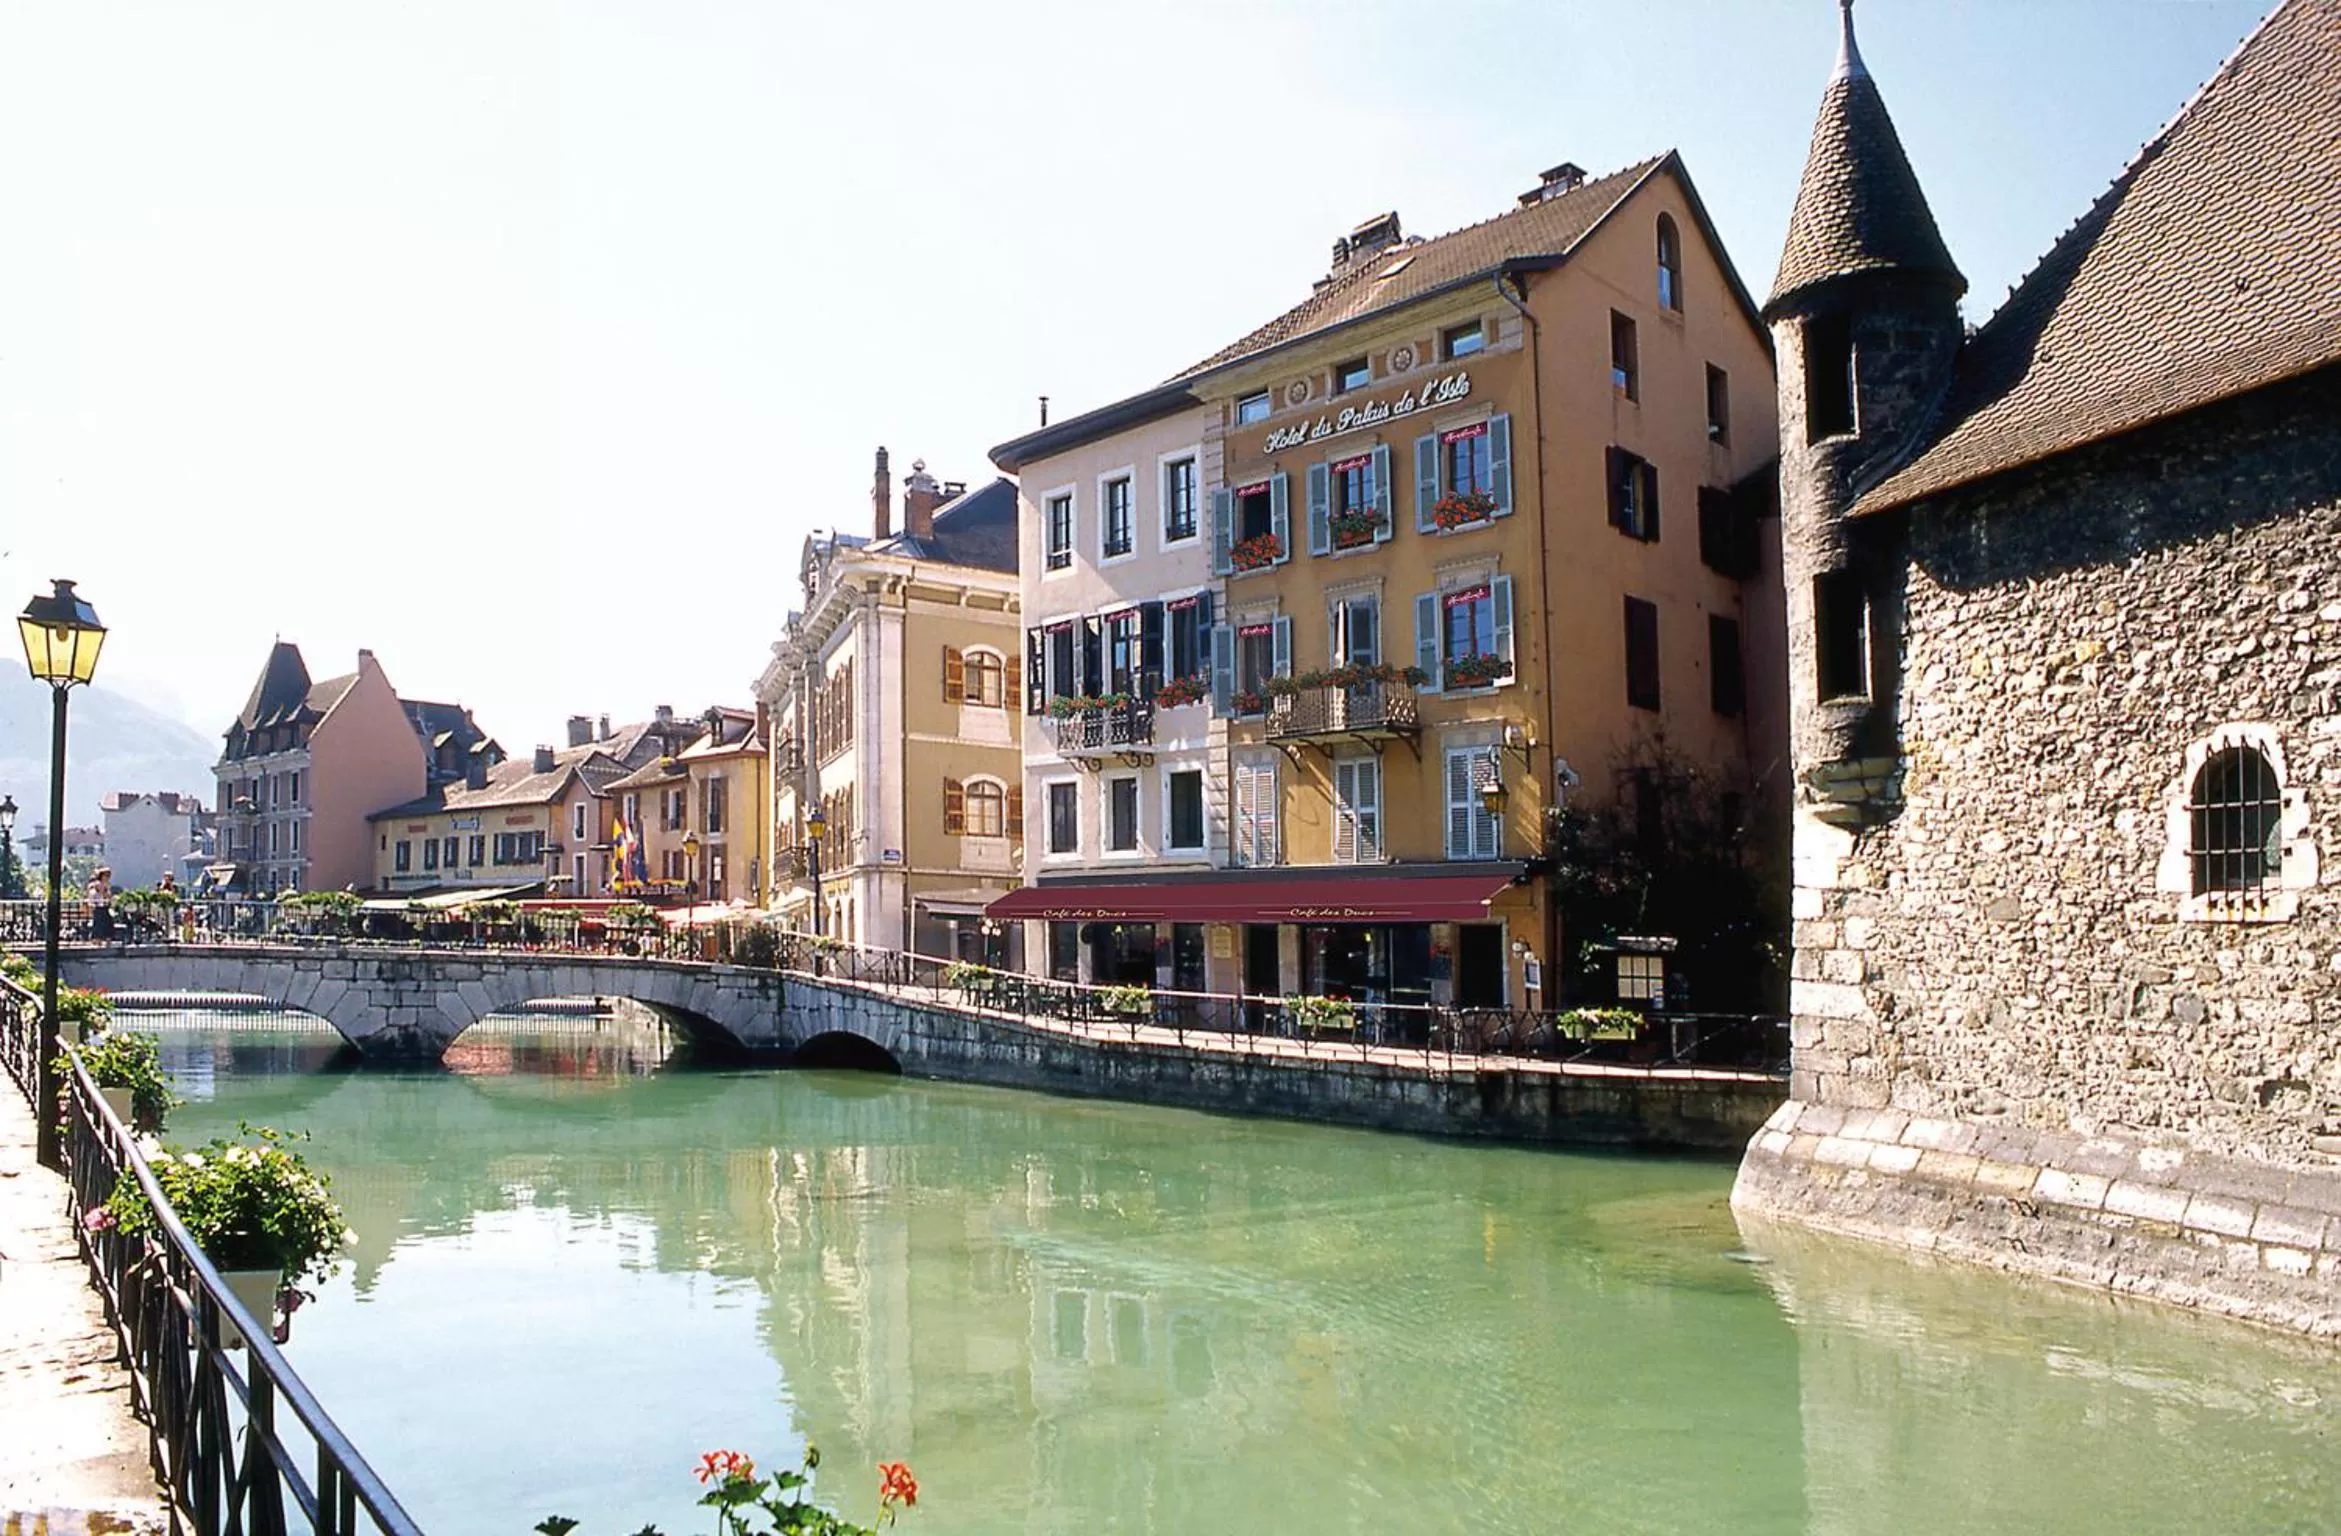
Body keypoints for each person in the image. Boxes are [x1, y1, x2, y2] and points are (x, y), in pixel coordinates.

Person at [87, 866, 116, 940]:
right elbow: (96, 893)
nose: (107, 877)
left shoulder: (107, 884)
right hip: (98, 907)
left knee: (108, 923)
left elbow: (108, 896)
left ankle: (107, 939)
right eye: (106, 875)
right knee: (99, 924)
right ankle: (97, 939)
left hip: (105, 906)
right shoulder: (97, 884)